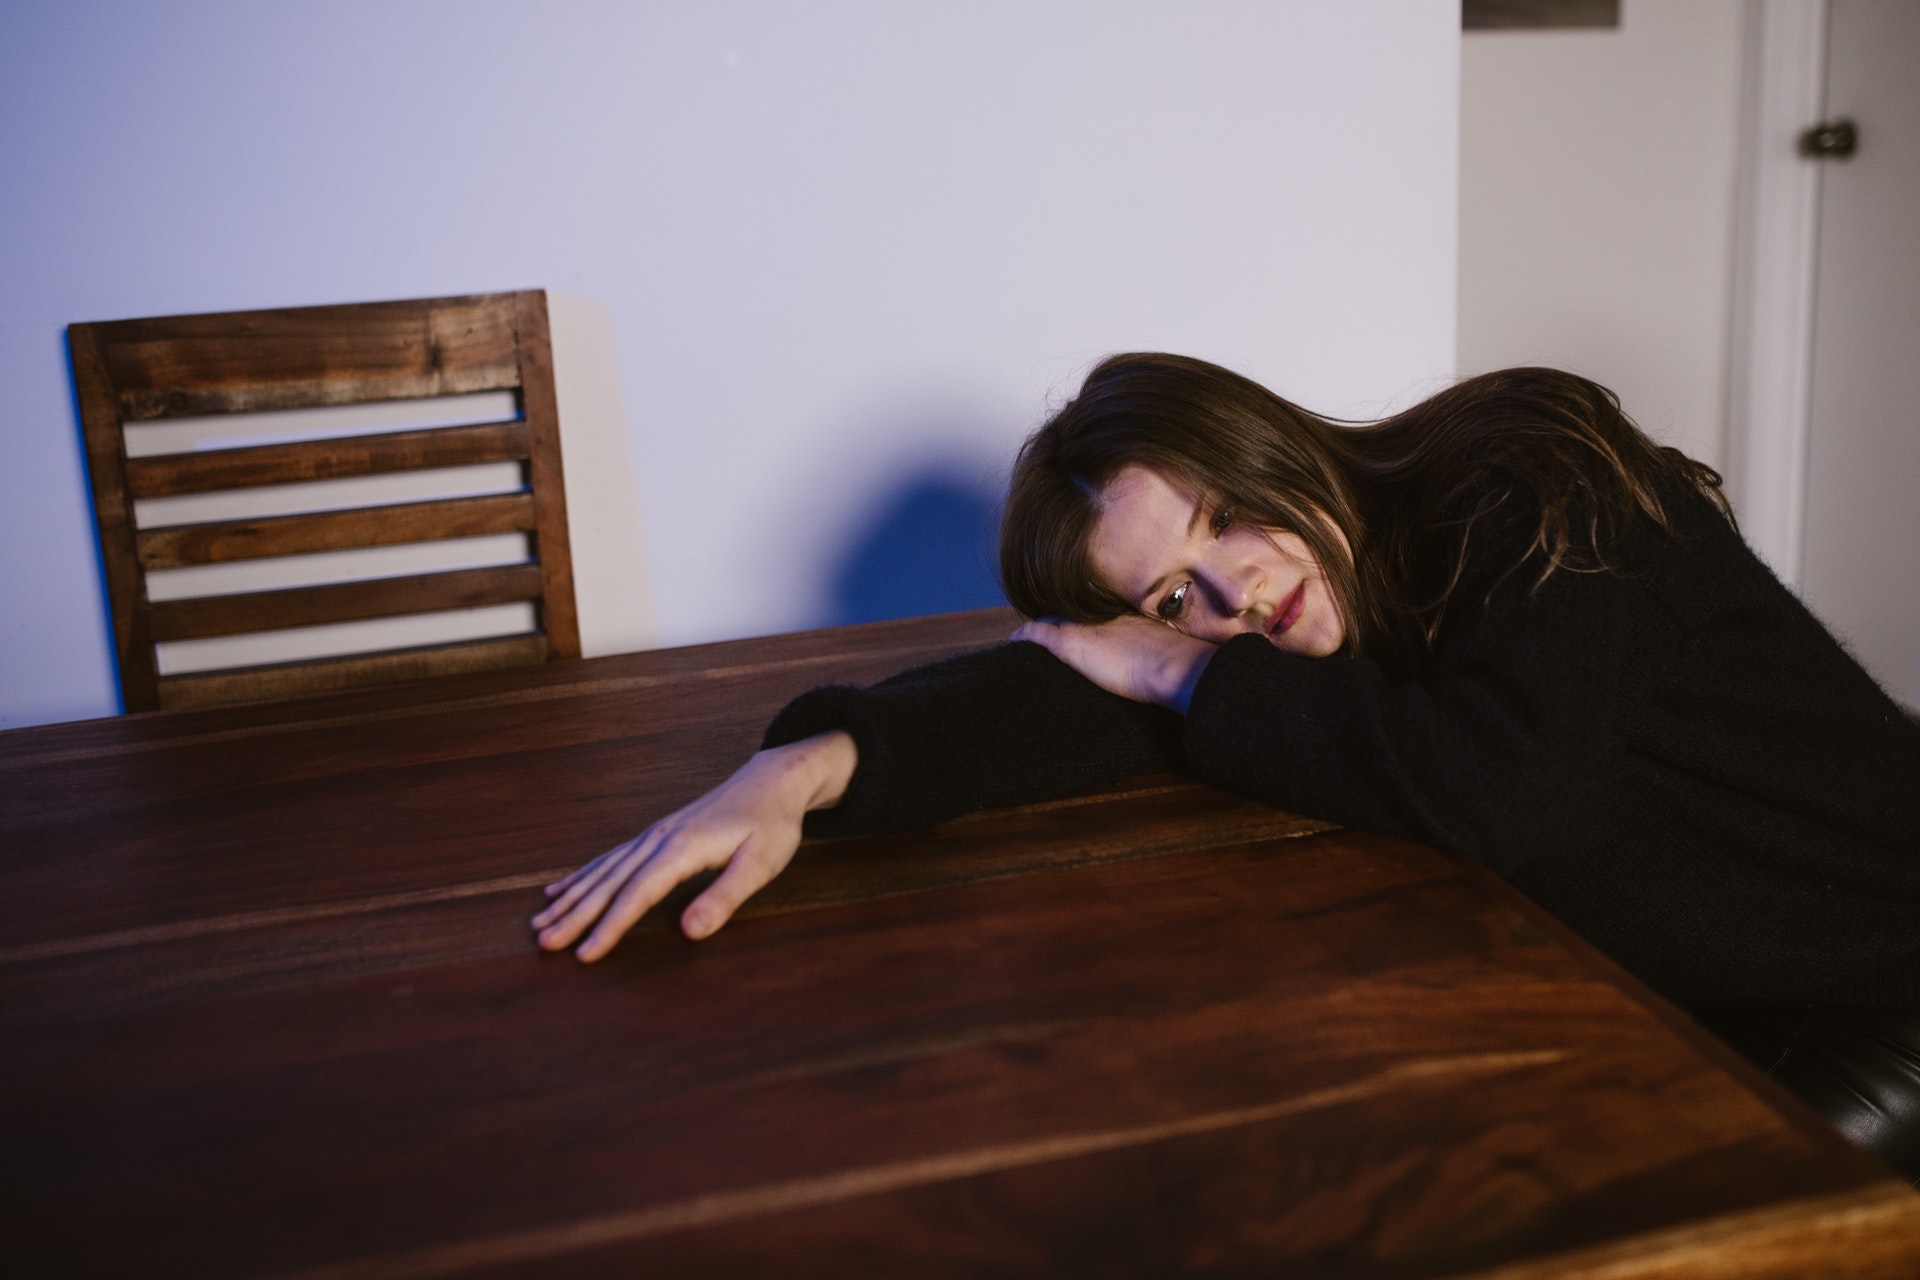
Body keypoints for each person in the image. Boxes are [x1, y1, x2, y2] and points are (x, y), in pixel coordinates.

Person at [531, 354, 1920, 1179]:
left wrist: (1177, 665)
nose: (1232, 591)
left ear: (1260, 439)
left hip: (1876, 989)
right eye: (1170, 597)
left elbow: (1507, 789)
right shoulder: (1288, 647)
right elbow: (1064, 687)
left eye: (1221, 518)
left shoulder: (1533, 476)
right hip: (1668, 997)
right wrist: (803, 769)